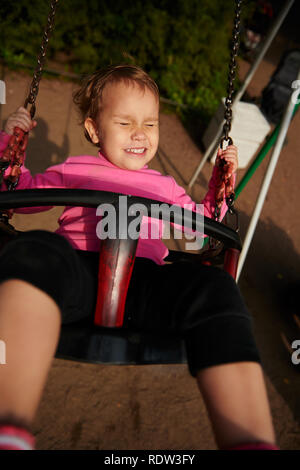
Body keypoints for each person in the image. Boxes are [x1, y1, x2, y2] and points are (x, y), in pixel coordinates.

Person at [0, 65, 278, 451]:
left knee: (214, 287)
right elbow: (19, 194)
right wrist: (9, 144)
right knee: (33, 253)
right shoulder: (73, 169)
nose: (140, 133)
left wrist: (221, 181)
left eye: (150, 123)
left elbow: (200, 227)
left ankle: (250, 440)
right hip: (74, 272)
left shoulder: (166, 186)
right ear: (95, 129)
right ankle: (8, 428)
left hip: (147, 285)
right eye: (125, 121)